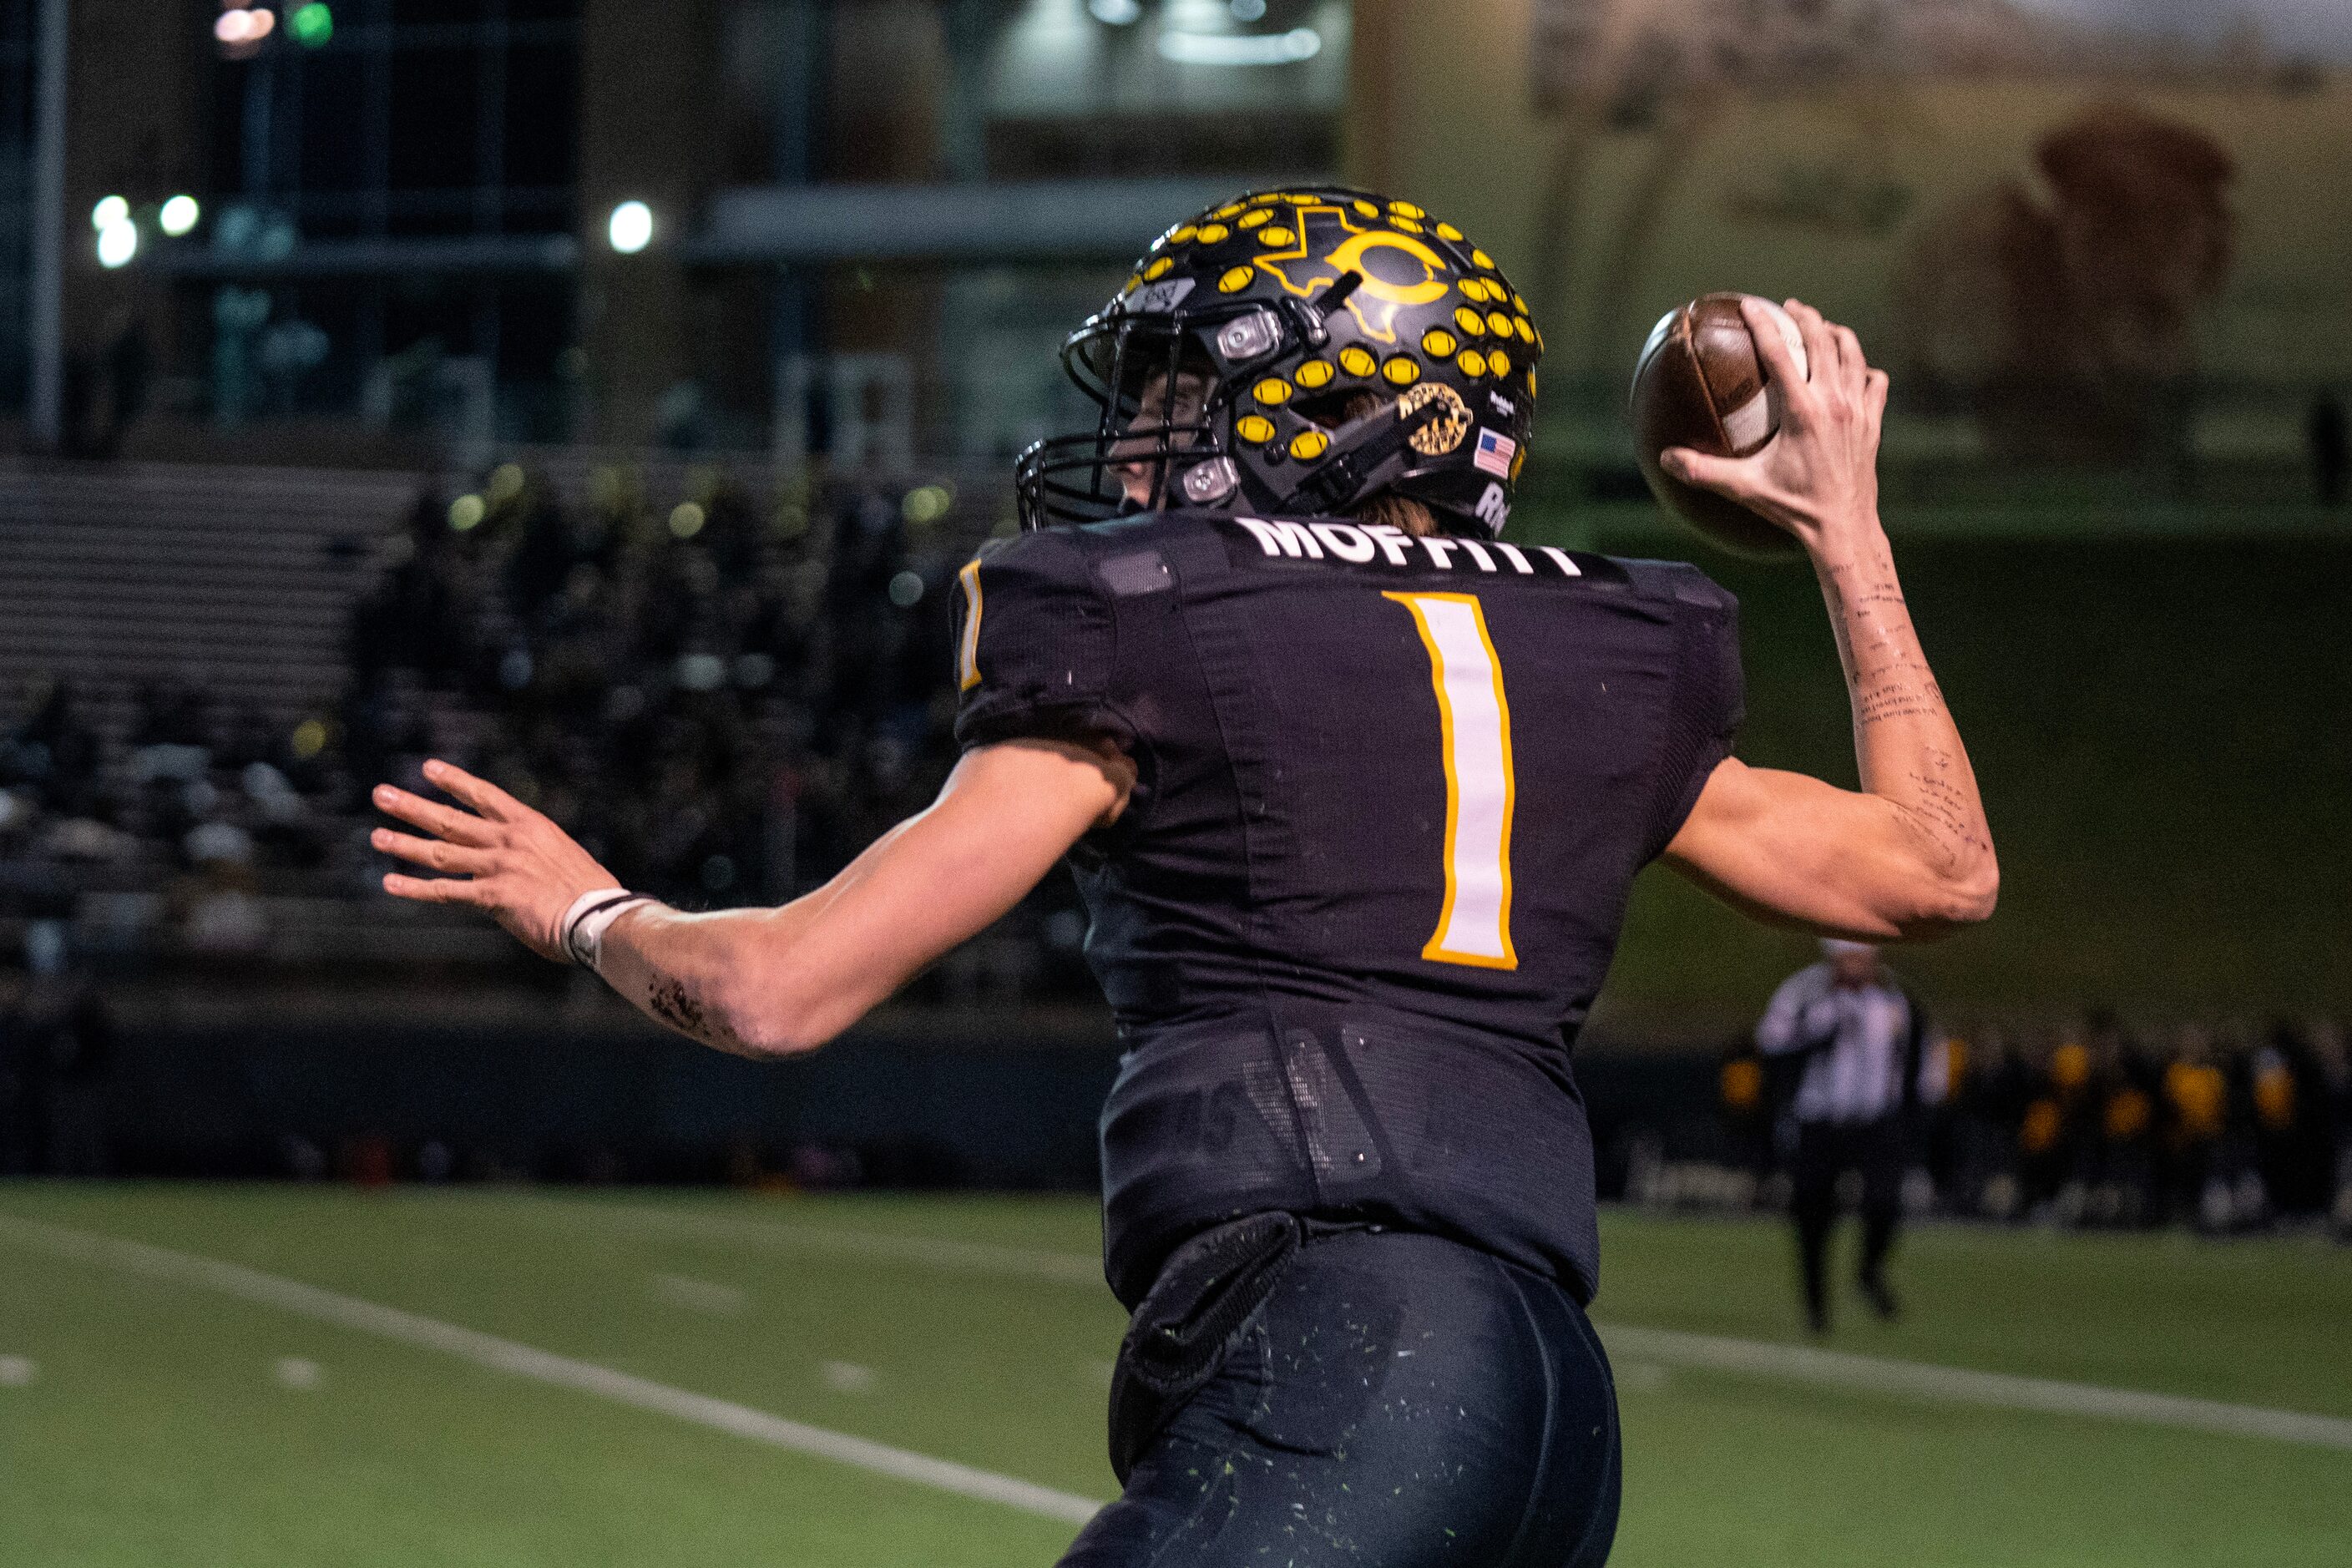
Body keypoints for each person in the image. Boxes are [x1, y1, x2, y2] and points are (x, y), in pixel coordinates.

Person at [370, 186, 1995, 1567]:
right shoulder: (1597, 649)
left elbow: (777, 989)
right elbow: (1934, 870)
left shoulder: (1157, 617)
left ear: (1335, 401)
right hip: (1549, 1415)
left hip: (1341, 1365)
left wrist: (586, 910)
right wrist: (1844, 535)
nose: (1136, 446)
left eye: (1177, 394)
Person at [1756, 939, 1943, 1333]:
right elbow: (1770, 1045)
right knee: (1813, 1214)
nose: (1855, 967)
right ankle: (1816, 1305)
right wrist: (1814, 1038)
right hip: (1820, 1120)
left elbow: (1921, 1056)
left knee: (1885, 1203)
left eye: (1862, 958)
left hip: (1877, 1121)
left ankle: (1869, 1271)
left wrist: (1916, 1112)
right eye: (1846, 959)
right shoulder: (1804, 993)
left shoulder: (1896, 998)